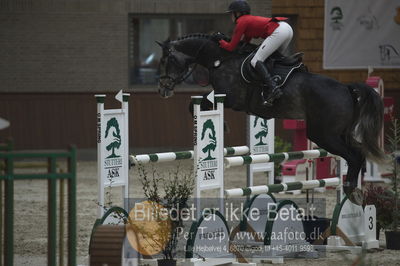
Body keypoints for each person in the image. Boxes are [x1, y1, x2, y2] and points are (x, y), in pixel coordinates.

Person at [216, 0, 293, 106]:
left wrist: (220, 40)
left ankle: (274, 88)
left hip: (278, 31)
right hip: (287, 28)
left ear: (237, 13)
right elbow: (246, 41)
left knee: (255, 60)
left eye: (231, 14)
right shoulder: (248, 20)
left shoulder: (241, 22)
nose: (231, 17)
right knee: (273, 59)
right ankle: (280, 81)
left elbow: (231, 47)